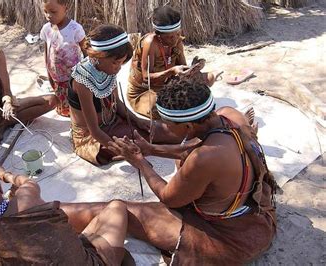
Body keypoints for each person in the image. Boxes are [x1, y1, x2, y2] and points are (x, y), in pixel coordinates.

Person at [62, 80, 277, 264]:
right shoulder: (229, 116)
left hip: (224, 236)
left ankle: (49, 213)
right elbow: (194, 145)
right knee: (181, 166)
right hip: (252, 214)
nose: (164, 129)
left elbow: (169, 198)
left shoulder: (204, 159)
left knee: (118, 210)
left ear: (188, 127)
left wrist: (140, 163)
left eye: (168, 125)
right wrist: (152, 149)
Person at [0, 160, 134, 265]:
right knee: (116, 207)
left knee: (84, 237)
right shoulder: (27, 196)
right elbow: (27, 182)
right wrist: (6, 174)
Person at [69, 24, 180, 166]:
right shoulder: (82, 81)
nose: (118, 68)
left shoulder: (107, 69)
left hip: (113, 121)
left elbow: (118, 103)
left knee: (162, 131)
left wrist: (136, 120)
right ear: (98, 57)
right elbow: (95, 131)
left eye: (121, 63)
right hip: (91, 136)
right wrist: (124, 151)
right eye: (116, 63)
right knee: (138, 144)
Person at [127, 5, 221, 119]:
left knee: (208, 79)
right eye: (170, 37)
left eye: (177, 34)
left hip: (169, 84)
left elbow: (183, 68)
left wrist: (193, 69)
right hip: (145, 90)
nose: (175, 39)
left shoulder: (177, 40)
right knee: (162, 109)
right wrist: (171, 71)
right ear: (158, 35)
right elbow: (146, 78)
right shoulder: (150, 43)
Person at [41, 0, 86, 117]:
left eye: (53, 11)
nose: (48, 15)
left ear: (65, 8)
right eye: (45, 11)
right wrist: (48, 73)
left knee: (76, 105)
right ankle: (64, 110)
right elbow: (47, 52)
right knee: (62, 106)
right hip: (56, 76)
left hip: (74, 77)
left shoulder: (75, 29)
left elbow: (86, 51)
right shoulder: (46, 29)